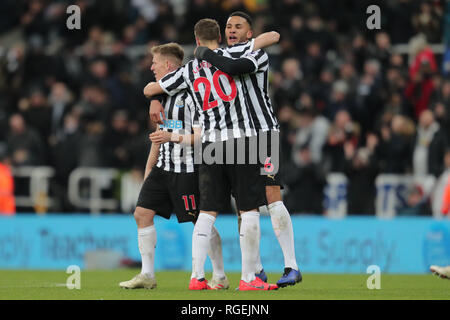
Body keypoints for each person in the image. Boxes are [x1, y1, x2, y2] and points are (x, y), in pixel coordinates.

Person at [144, 19, 279, 291]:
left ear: (195, 41)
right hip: (241, 140)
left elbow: (151, 88)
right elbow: (271, 37)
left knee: (206, 213)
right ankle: (249, 279)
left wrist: (155, 98)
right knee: (249, 210)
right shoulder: (234, 54)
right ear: (220, 36)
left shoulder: (190, 69)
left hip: (209, 144)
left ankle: (196, 277)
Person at [193, 11, 301, 287]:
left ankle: (291, 265)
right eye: (228, 26)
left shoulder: (256, 55)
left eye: (238, 26)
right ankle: (255, 270)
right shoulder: (222, 56)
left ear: (249, 33)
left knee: (272, 195)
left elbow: (237, 67)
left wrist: (205, 53)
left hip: (265, 135)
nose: (232, 29)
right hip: (238, 139)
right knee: (245, 204)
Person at [119, 43, 228, 290]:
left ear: (168, 65)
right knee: (142, 214)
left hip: (188, 169)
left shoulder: (192, 96)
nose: (151, 67)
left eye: (155, 62)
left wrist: (172, 137)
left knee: (199, 221)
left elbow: (201, 137)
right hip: (163, 167)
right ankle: (147, 275)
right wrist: (149, 172)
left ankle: (220, 275)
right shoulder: (161, 96)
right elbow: (159, 136)